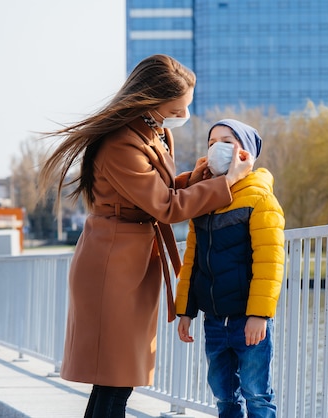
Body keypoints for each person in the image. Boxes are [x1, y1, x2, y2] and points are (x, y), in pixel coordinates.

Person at [37, 55, 254, 418]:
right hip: (113, 262)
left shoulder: (154, 132)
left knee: (117, 380)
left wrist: (201, 176)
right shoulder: (121, 144)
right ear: (155, 100)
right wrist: (226, 183)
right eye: (180, 104)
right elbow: (166, 207)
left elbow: (161, 192)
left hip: (131, 258)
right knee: (114, 379)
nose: (186, 110)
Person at [175, 119, 285, 418]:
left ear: (245, 152)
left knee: (256, 394)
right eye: (211, 143)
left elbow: (270, 262)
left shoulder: (260, 197)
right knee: (223, 395)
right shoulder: (205, 197)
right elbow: (192, 260)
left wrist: (259, 315)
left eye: (226, 141)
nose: (216, 148)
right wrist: (184, 310)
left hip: (247, 320)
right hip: (214, 320)